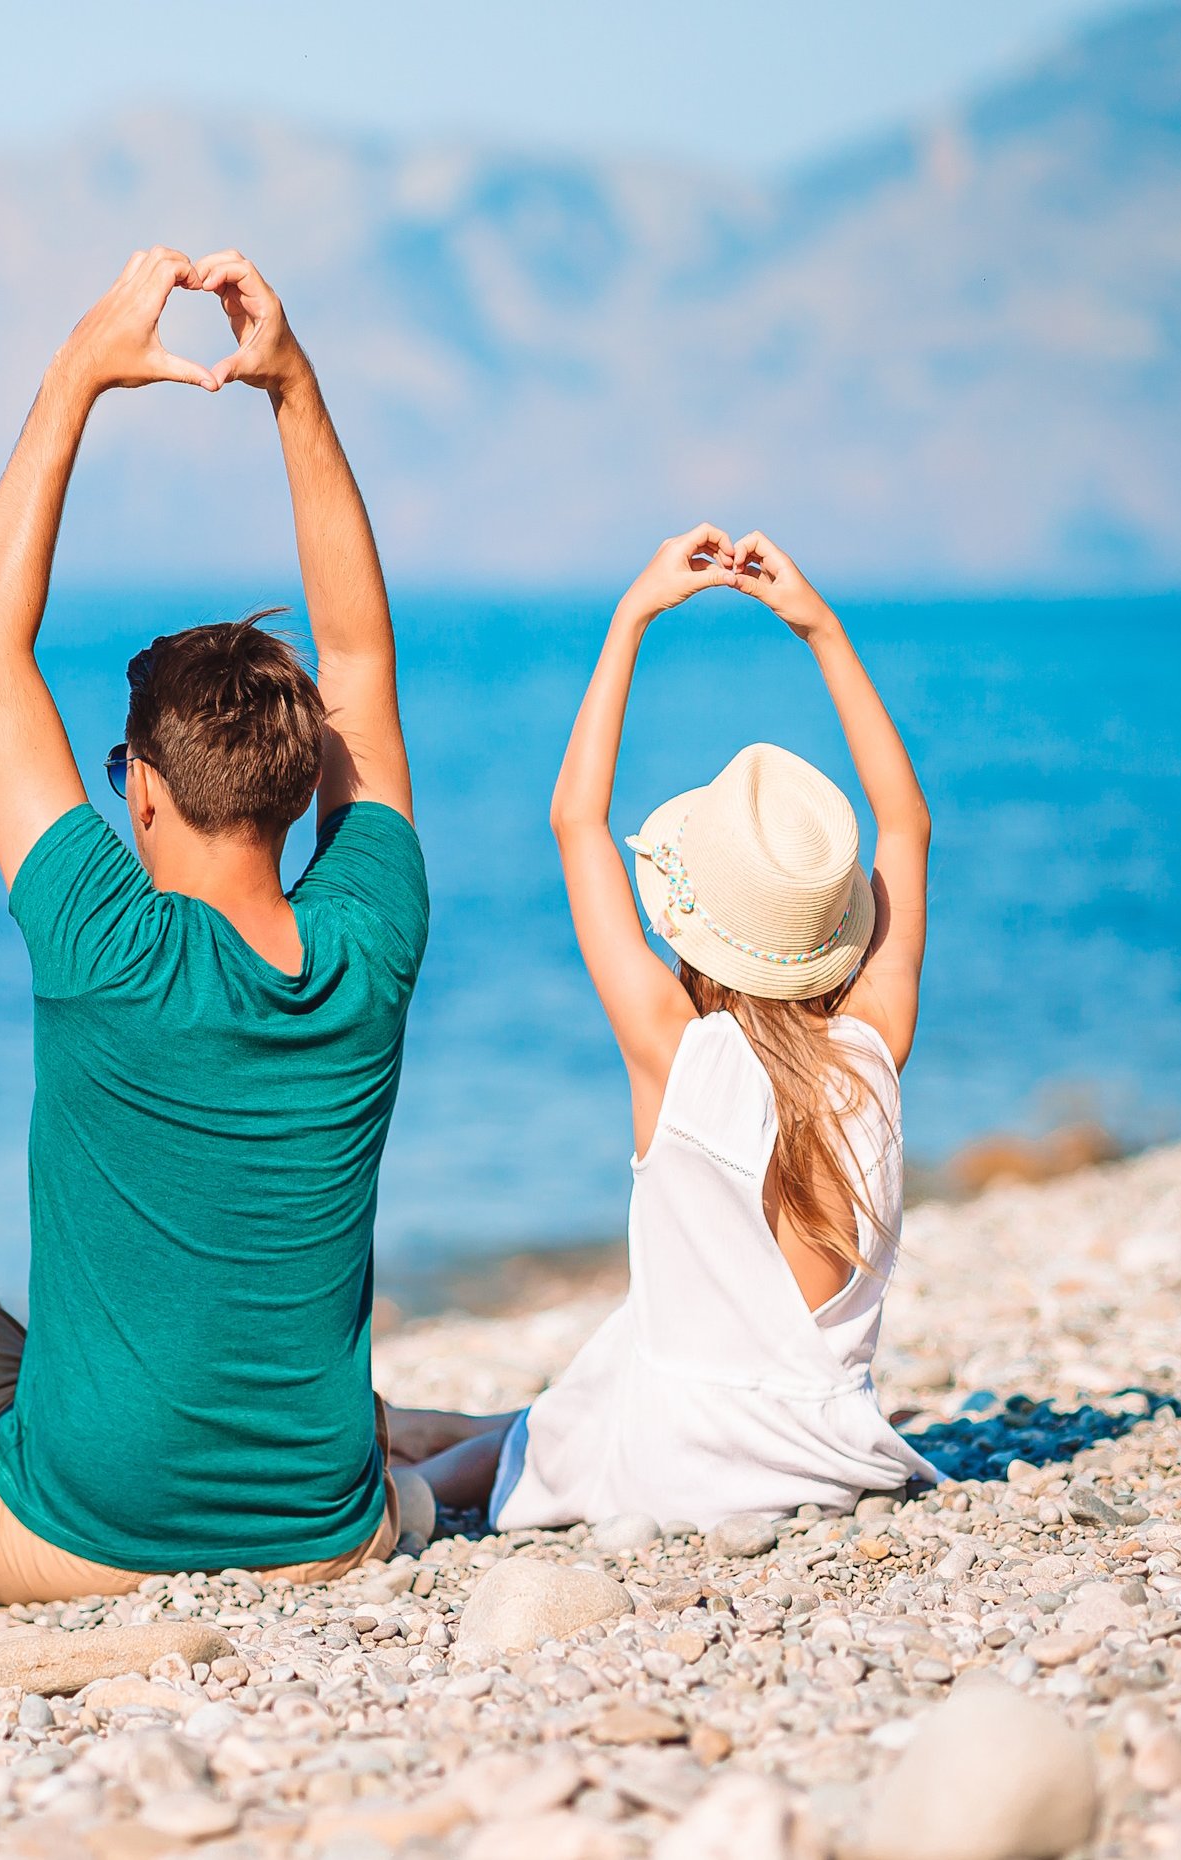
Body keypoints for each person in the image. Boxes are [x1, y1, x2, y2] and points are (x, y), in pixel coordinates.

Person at [0, 248, 430, 1601]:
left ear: (134, 787)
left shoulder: (105, 946)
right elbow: (357, 660)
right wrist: (293, 388)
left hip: (71, 1551)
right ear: (308, 784)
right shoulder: (370, 939)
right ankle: (421, 1476)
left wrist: (78, 370)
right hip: (324, 1537)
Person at [390, 527, 942, 1527]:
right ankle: (441, 1435)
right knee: (594, 1385)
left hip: (674, 1467)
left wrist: (630, 618)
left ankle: (415, 1481)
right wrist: (821, 630)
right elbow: (906, 825)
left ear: (695, 931)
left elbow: (576, 821)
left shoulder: (678, 1056)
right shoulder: (874, 1051)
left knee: (563, 1425)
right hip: (830, 1454)